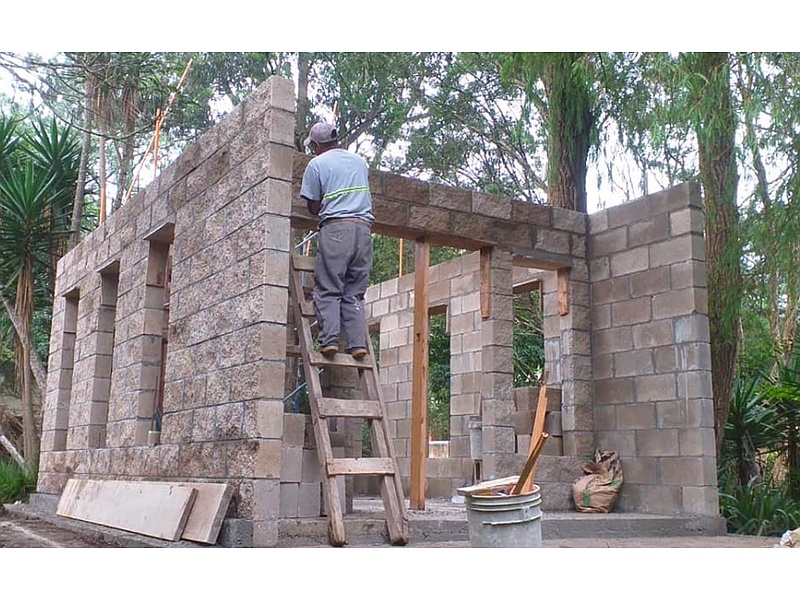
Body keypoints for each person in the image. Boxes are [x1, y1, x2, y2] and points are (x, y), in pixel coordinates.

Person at [300, 122, 374, 360]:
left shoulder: (317, 164)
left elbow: (313, 207)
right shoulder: (359, 162)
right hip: (363, 231)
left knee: (329, 288)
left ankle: (329, 340)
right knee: (354, 293)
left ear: (316, 145)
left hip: (336, 230)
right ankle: (357, 345)